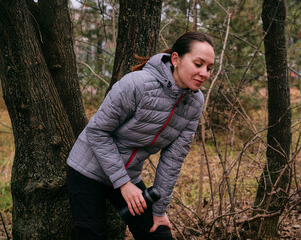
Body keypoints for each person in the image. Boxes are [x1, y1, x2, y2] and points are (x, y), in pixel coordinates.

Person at [66, 31, 215, 240]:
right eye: (198, 64)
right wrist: (123, 184)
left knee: (158, 235)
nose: (204, 73)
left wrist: (159, 211)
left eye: (209, 68)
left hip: (128, 175)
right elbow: (97, 131)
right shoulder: (138, 84)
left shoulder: (195, 102)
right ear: (176, 59)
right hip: (88, 170)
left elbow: (173, 159)